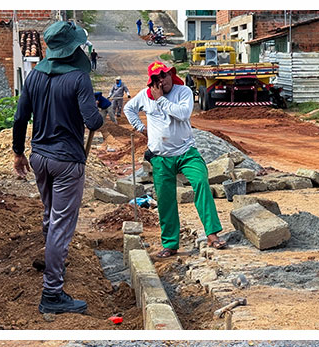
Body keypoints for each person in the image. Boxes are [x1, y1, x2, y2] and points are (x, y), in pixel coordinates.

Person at [12, 20, 105, 315]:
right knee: (61, 225)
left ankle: (54, 260)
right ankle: (52, 292)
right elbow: (92, 122)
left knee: (50, 213)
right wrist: (98, 112)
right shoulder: (79, 79)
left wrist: (18, 153)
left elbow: (19, 118)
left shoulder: (34, 76)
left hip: (39, 157)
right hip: (67, 162)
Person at [124, 61, 227, 258]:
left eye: (164, 76)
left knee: (201, 182)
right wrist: (141, 128)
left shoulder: (184, 92)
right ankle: (170, 244)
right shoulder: (145, 97)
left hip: (186, 153)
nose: (162, 81)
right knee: (165, 199)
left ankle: (212, 234)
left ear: (171, 74)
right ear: (152, 82)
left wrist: (161, 99)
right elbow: (129, 109)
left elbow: (183, 114)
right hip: (161, 158)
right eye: (157, 79)